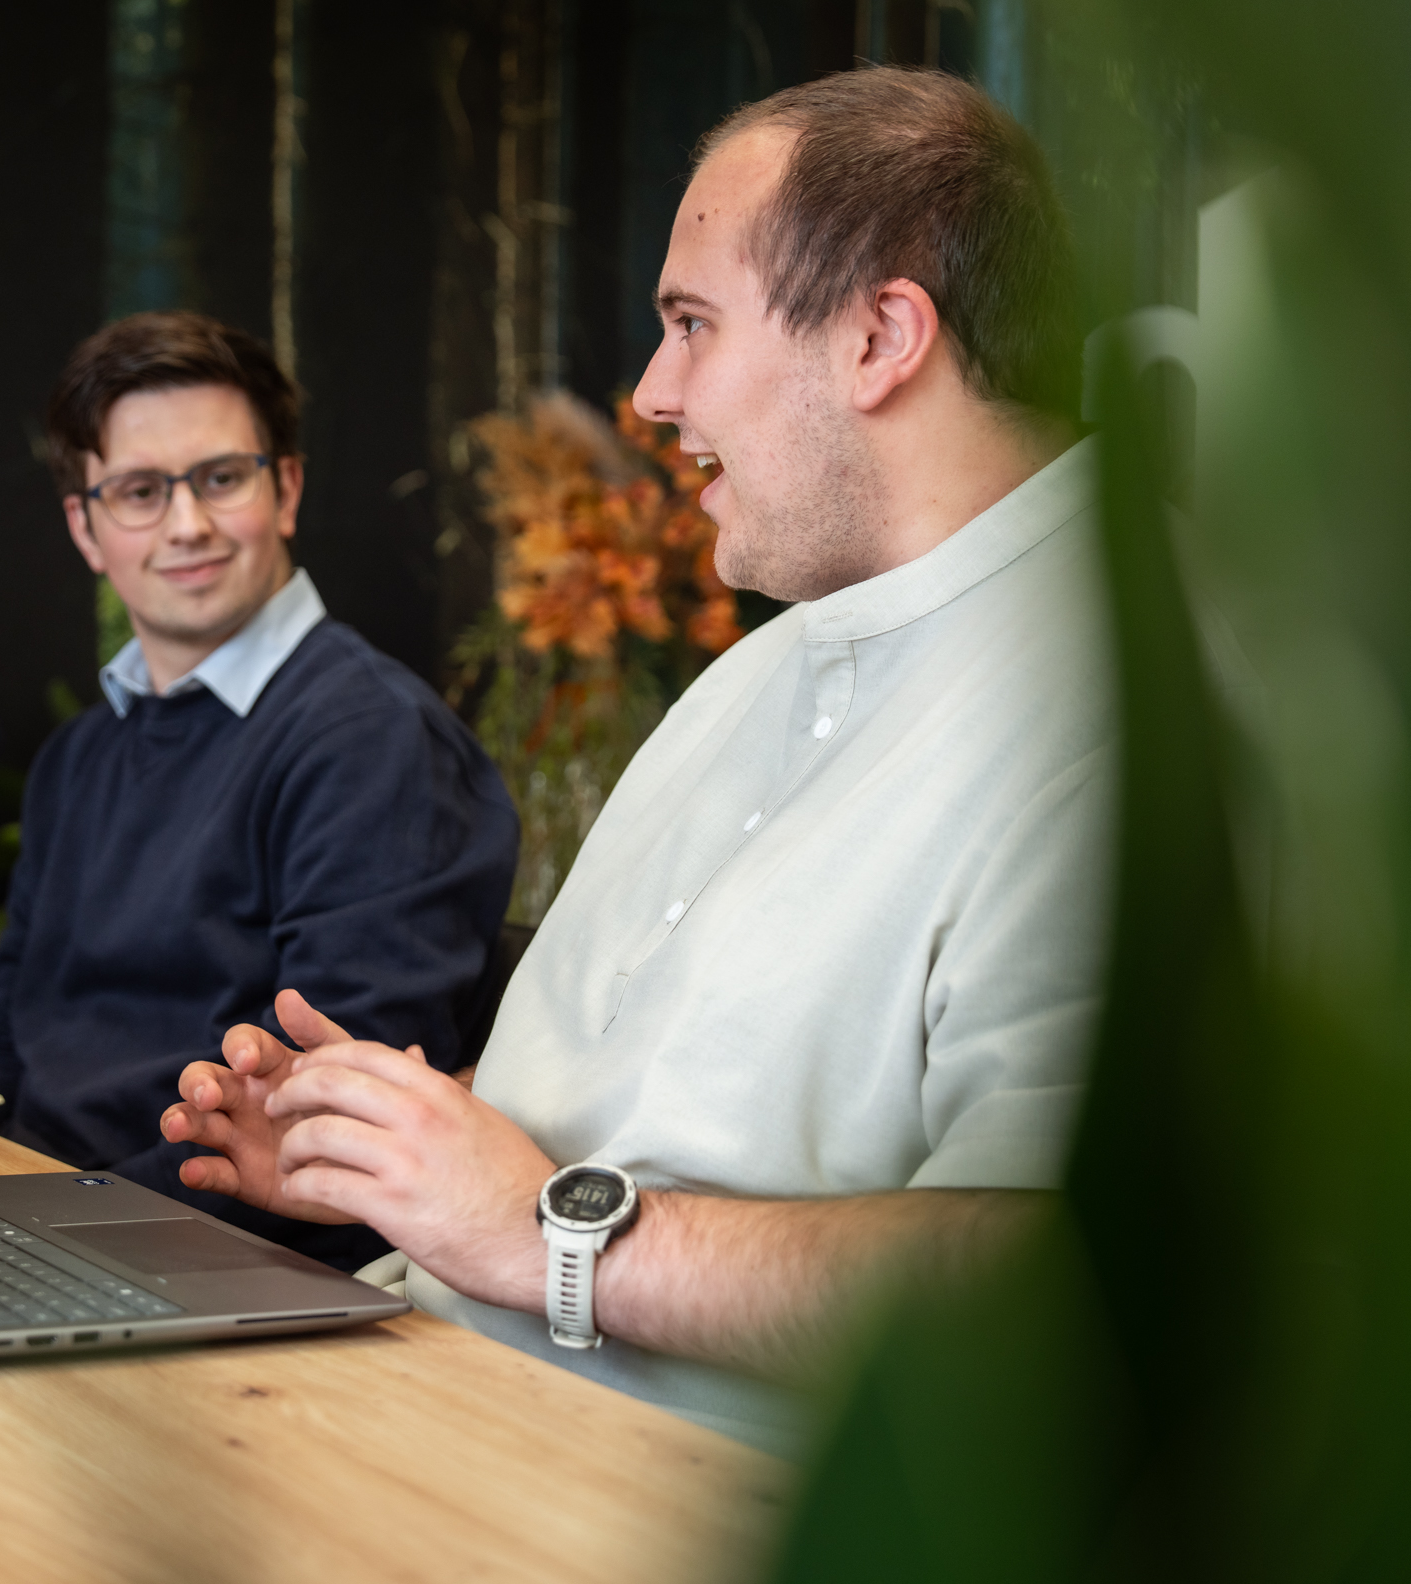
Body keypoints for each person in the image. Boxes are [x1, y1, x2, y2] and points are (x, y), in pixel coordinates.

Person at [161, 66, 1113, 1453]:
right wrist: (389, 1160)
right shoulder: (765, 666)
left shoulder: (1119, 709)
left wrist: (538, 1234)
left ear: (878, 339)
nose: (653, 395)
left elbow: (1040, 1288)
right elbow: (661, 1118)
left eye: (690, 325)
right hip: (418, 1385)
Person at [0, 311, 520, 1270]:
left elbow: (323, 1118)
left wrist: (34, 1237)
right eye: (139, 491)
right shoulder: (78, 757)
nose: (188, 525)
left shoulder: (371, 740)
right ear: (86, 529)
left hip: (217, 1258)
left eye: (222, 479)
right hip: (40, 1227)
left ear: (287, 488)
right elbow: (9, 1044)